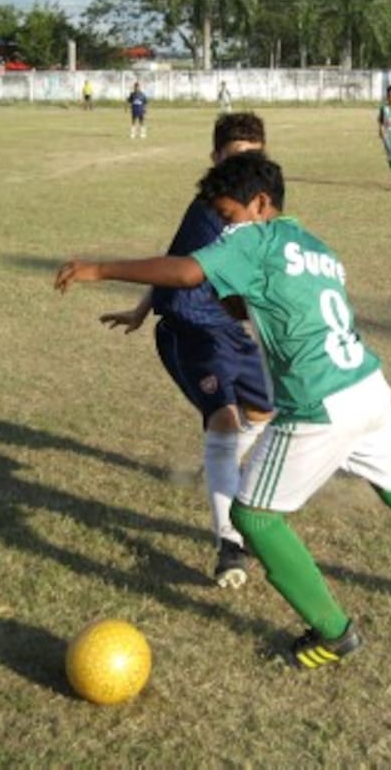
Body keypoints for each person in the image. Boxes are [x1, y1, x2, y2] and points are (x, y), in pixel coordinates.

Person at [55, 152, 391, 670]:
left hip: (320, 405)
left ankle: (333, 632)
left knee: (253, 516)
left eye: (228, 217)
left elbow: (187, 273)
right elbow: (253, 297)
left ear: (260, 203)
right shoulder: (315, 245)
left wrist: (97, 267)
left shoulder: (252, 239)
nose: (224, 229)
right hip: (367, 385)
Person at [98, 114, 273, 588]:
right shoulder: (207, 209)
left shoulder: (260, 212)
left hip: (231, 333)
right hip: (189, 330)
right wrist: (142, 309)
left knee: (263, 416)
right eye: (235, 159)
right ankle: (229, 543)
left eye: (253, 159)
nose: (243, 169)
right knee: (223, 421)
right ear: (214, 159)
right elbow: (177, 266)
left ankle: (225, 478)